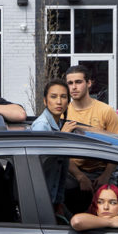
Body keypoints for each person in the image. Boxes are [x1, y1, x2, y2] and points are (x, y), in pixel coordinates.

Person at [62, 65, 118, 211]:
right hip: (72, 172)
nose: (74, 87)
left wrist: (105, 176)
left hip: (102, 171)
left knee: (108, 207)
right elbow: (59, 151)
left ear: (89, 83)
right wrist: (80, 176)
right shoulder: (62, 113)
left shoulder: (105, 111)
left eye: (78, 82)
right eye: (70, 83)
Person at [32, 79, 77, 214]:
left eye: (63, 97)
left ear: (68, 102)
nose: (59, 102)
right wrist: (61, 138)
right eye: (53, 97)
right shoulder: (42, 126)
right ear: (45, 101)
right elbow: (40, 163)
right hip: (41, 200)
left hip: (53, 198)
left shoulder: (58, 125)